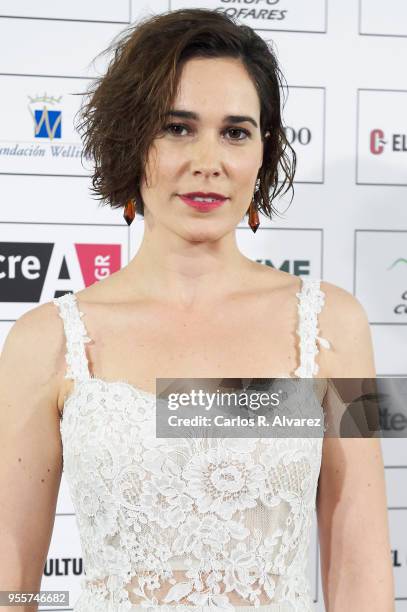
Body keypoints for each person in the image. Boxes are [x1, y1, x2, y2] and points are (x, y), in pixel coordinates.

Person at [0, 7, 395, 612]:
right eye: (177, 128)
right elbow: (12, 582)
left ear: (264, 151)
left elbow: (363, 572)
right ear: (130, 140)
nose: (207, 161)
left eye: (235, 131)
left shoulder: (331, 327)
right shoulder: (45, 339)